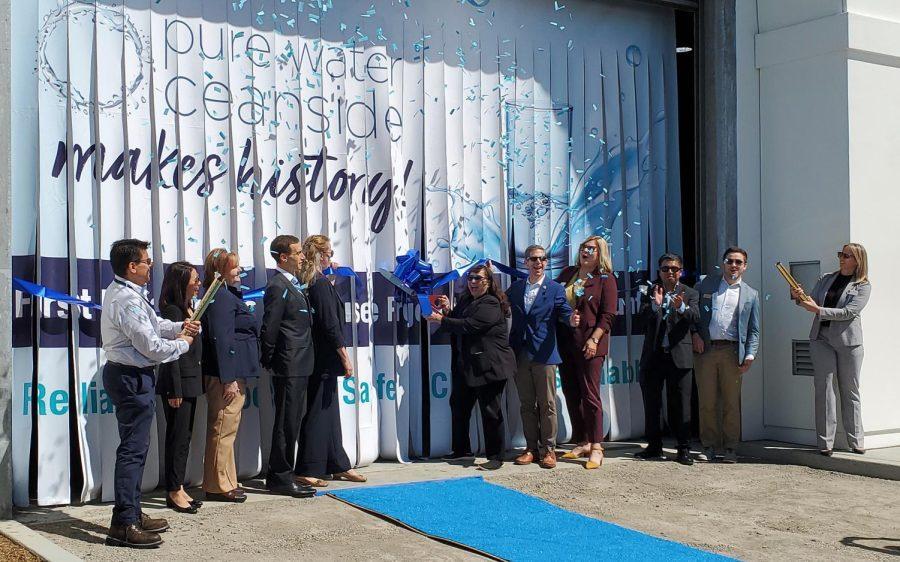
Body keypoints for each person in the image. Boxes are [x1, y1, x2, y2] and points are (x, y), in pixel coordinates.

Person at [101, 239, 199, 548]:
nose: (150, 266)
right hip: (130, 378)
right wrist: (183, 343)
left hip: (135, 377)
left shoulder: (129, 293)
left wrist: (178, 325)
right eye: (146, 261)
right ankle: (124, 524)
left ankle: (132, 512)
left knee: (137, 450)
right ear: (132, 267)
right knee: (132, 451)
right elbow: (151, 347)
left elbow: (154, 325)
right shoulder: (125, 300)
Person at [427, 263, 517, 471]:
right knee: (459, 406)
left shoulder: (491, 303)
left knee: (490, 411)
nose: (473, 282)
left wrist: (441, 319)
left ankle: (496, 457)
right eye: (470, 278)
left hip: (489, 366)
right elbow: (459, 319)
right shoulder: (467, 299)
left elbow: (469, 326)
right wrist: (448, 310)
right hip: (467, 365)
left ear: (488, 282)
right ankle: (461, 450)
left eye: (478, 279)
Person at [294, 235, 366, 483]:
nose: (331, 259)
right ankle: (307, 467)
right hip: (323, 356)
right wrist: (344, 356)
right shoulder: (319, 283)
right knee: (318, 410)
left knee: (329, 408)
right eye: (329, 254)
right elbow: (330, 325)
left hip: (319, 355)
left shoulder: (314, 281)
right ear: (321, 255)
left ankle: (338, 463)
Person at [792, 243, 871, 456]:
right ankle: (825, 443)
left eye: (847, 255)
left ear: (857, 260)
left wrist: (818, 310)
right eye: (841, 254)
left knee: (850, 390)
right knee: (824, 389)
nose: (842, 258)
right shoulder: (827, 278)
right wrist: (798, 296)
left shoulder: (863, 285)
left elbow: (849, 312)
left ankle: (856, 440)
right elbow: (811, 302)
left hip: (849, 342)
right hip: (821, 339)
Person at [507, 245, 578, 469]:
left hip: (545, 353)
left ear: (546, 262)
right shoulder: (515, 289)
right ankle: (530, 448)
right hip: (521, 353)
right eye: (533, 259)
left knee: (547, 404)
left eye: (542, 259)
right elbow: (500, 305)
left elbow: (564, 311)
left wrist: (571, 320)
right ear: (526, 262)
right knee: (527, 404)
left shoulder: (555, 288)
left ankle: (548, 450)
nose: (538, 263)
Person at [201, 248, 260, 502]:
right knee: (222, 428)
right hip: (227, 376)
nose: (239, 271)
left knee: (227, 428)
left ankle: (227, 480)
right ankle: (217, 485)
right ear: (221, 271)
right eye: (234, 267)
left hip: (232, 373)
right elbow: (222, 340)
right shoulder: (222, 297)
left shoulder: (226, 295)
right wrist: (229, 379)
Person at [692, 247, 761, 464]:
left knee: (731, 402)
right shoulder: (706, 284)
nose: (733, 265)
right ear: (723, 263)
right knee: (707, 401)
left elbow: (754, 329)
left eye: (738, 262)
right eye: (730, 261)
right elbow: (693, 313)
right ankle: (709, 446)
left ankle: (731, 448)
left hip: (733, 352)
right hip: (706, 351)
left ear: (745, 266)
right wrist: (695, 334)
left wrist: (750, 354)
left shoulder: (751, 294)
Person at [555, 236, 618, 469]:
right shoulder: (568, 273)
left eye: (592, 249)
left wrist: (594, 339)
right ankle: (583, 441)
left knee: (590, 395)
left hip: (590, 342)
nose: (586, 251)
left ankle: (598, 446)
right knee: (572, 392)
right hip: (566, 341)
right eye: (583, 247)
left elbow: (608, 315)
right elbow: (551, 295)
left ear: (600, 253)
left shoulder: (606, 279)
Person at [260, 235, 316, 497]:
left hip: (300, 362)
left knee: (292, 421)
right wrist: (270, 358)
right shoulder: (277, 285)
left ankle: (283, 473)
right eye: (297, 253)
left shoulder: (293, 283)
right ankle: (281, 477)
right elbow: (270, 328)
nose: (302, 256)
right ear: (283, 257)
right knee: (286, 422)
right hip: (289, 363)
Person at [637, 252, 699, 466]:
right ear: (659, 271)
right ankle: (654, 446)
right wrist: (655, 306)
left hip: (679, 357)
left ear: (680, 271)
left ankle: (683, 449)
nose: (670, 272)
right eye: (665, 269)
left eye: (674, 268)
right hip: (654, 356)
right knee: (652, 404)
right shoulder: (651, 291)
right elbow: (641, 319)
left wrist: (680, 307)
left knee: (680, 404)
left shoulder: (690, 292)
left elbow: (695, 317)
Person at [157, 262, 204, 514]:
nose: (198, 284)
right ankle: (173, 490)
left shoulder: (189, 308)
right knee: (176, 437)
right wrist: (174, 389)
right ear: (181, 282)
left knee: (185, 438)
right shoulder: (172, 311)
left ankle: (179, 485)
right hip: (178, 385)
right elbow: (170, 355)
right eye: (194, 280)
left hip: (191, 381)